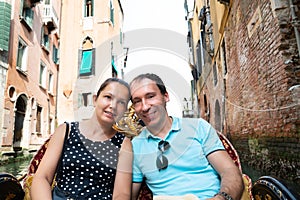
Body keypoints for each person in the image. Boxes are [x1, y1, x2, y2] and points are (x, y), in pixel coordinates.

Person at [129, 73, 244, 200]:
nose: (144, 107)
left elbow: (229, 171)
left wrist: (220, 198)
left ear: (165, 96)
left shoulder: (199, 127)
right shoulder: (135, 146)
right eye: (137, 101)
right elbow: (128, 195)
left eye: (150, 96)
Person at [31, 78, 133, 200]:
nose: (113, 106)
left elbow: (121, 195)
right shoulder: (66, 130)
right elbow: (42, 178)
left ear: (125, 110)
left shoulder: (124, 144)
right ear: (95, 100)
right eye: (108, 97)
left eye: (121, 102)